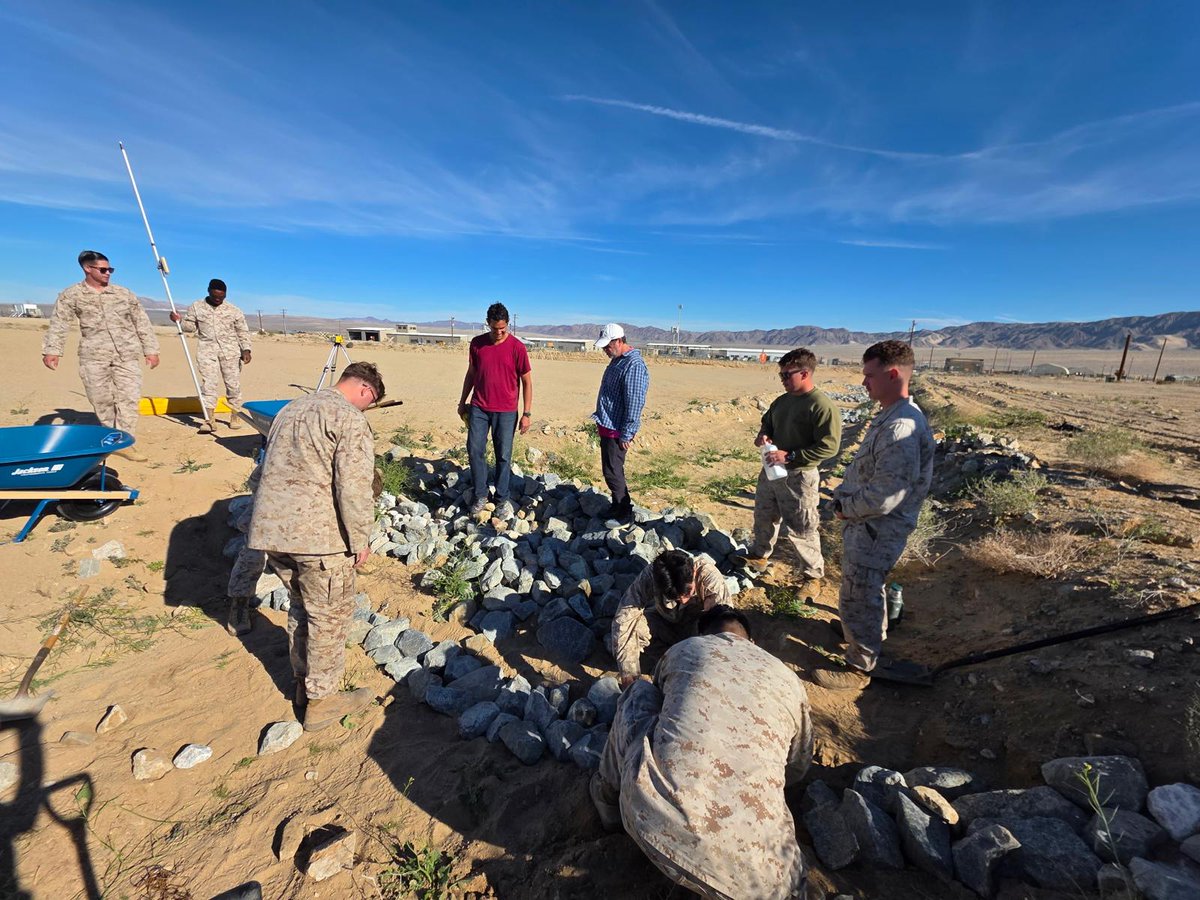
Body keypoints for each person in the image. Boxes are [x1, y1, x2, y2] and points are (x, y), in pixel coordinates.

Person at [591, 605, 813, 899]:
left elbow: (659, 699)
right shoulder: (789, 680)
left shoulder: (684, 649)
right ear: (752, 642)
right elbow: (798, 765)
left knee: (639, 693)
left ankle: (606, 797)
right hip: (765, 877)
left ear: (704, 635)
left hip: (653, 822)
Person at [247, 362, 384, 730]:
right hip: (318, 540)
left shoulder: (290, 409)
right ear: (365, 390)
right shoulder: (348, 418)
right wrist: (360, 539)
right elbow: (353, 486)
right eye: (369, 402)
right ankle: (322, 701)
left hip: (273, 533)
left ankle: (302, 684)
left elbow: (261, 470)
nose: (366, 408)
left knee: (301, 607)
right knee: (328, 616)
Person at [817, 340, 935, 691]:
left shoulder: (901, 427)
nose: (864, 382)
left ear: (893, 374)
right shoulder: (892, 415)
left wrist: (845, 508)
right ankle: (860, 632)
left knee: (860, 591)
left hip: (875, 528)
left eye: (869, 375)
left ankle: (860, 665)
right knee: (864, 588)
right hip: (867, 525)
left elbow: (886, 495)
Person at [740, 348, 842, 604]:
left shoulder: (821, 406)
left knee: (802, 527)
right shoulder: (782, 401)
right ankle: (759, 555)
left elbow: (829, 446)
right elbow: (768, 421)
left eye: (787, 375)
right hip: (772, 471)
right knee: (764, 515)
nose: (783, 380)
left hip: (799, 476)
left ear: (805, 373)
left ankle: (812, 577)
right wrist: (764, 434)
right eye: (781, 375)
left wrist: (791, 456)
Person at [41, 250, 160, 462]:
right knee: (101, 399)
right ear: (87, 268)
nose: (108, 273)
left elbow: (142, 322)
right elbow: (60, 323)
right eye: (103, 270)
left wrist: (151, 350)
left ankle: (124, 442)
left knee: (128, 399)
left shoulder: (123, 294)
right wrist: (53, 350)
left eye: (110, 269)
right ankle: (110, 434)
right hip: (93, 356)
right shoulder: (72, 295)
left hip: (126, 354)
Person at [611, 549, 729, 686]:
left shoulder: (709, 578)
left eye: (688, 592)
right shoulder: (652, 575)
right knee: (633, 628)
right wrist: (628, 672)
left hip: (697, 637)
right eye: (676, 597)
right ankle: (667, 661)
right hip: (666, 625)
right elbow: (625, 615)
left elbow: (724, 628)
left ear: (694, 572)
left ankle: (687, 666)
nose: (683, 601)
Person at [457, 302, 532, 517]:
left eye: (503, 328)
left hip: (506, 411)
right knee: (474, 450)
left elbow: (527, 381)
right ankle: (480, 494)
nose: (499, 332)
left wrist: (526, 413)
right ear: (487, 323)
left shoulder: (517, 347)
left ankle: (501, 498)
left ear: (508, 324)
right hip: (479, 407)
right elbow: (471, 373)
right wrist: (462, 401)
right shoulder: (477, 344)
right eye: (494, 328)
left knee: (503, 455)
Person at [169, 278, 252, 433]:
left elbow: (242, 331)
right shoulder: (197, 306)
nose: (218, 299)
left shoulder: (233, 310)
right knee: (208, 385)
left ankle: (235, 416)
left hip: (230, 352)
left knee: (233, 385)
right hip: (207, 352)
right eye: (215, 296)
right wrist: (178, 321)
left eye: (222, 297)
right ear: (208, 291)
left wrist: (246, 349)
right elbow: (190, 327)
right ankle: (209, 420)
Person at [591, 323, 649, 520]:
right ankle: (616, 506)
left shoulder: (633, 365)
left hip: (617, 429)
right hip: (608, 425)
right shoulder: (618, 361)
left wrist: (628, 432)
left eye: (608, 346)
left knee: (613, 471)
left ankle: (624, 512)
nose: (605, 351)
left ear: (618, 341)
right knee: (610, 470)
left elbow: (635, 401)